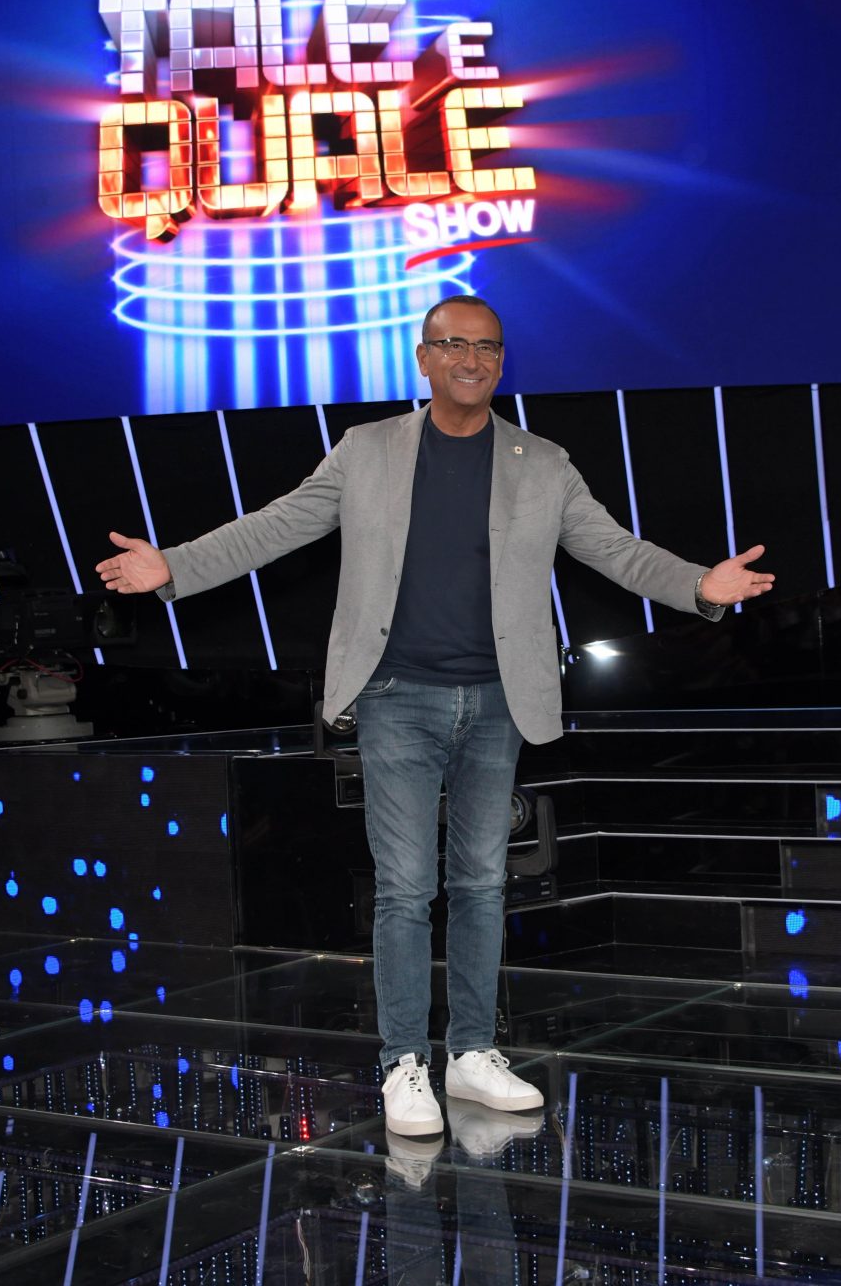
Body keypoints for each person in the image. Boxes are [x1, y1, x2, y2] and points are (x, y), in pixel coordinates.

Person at [96, 295, 774, 1135]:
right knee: (407, 887)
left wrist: (697, 585)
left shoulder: (542, 463)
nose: (470, 359)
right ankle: (403, 1063)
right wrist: (174, 567)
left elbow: (612, 549)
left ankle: (473, 1053)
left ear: (500, 361)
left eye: (486, 346)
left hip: (498, 700)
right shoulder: (368, 450)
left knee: (483, 882)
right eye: (452, 344)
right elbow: (275, 528)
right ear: (423, 359)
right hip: (396, 696)